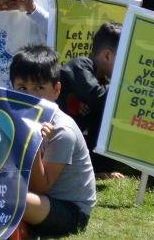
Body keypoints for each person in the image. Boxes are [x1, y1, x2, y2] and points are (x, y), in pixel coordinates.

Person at [10, 46, 96, 235]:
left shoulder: (62, 130)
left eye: (39, 88)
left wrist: (32, 142)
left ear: (57, 90)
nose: (30, 96)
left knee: (9, 199)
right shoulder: (12, 118)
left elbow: (41, 187)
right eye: (22, 88)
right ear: (13, 89)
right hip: (35, 199)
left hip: (70, 211)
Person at [57, 22, 124, 178]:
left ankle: (99, 168)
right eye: (124, 59)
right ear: (107, 55)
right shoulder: (79, 65)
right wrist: (123, 85)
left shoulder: (105, 82)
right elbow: (96, 97)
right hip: (57, 143)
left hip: (77, 148)